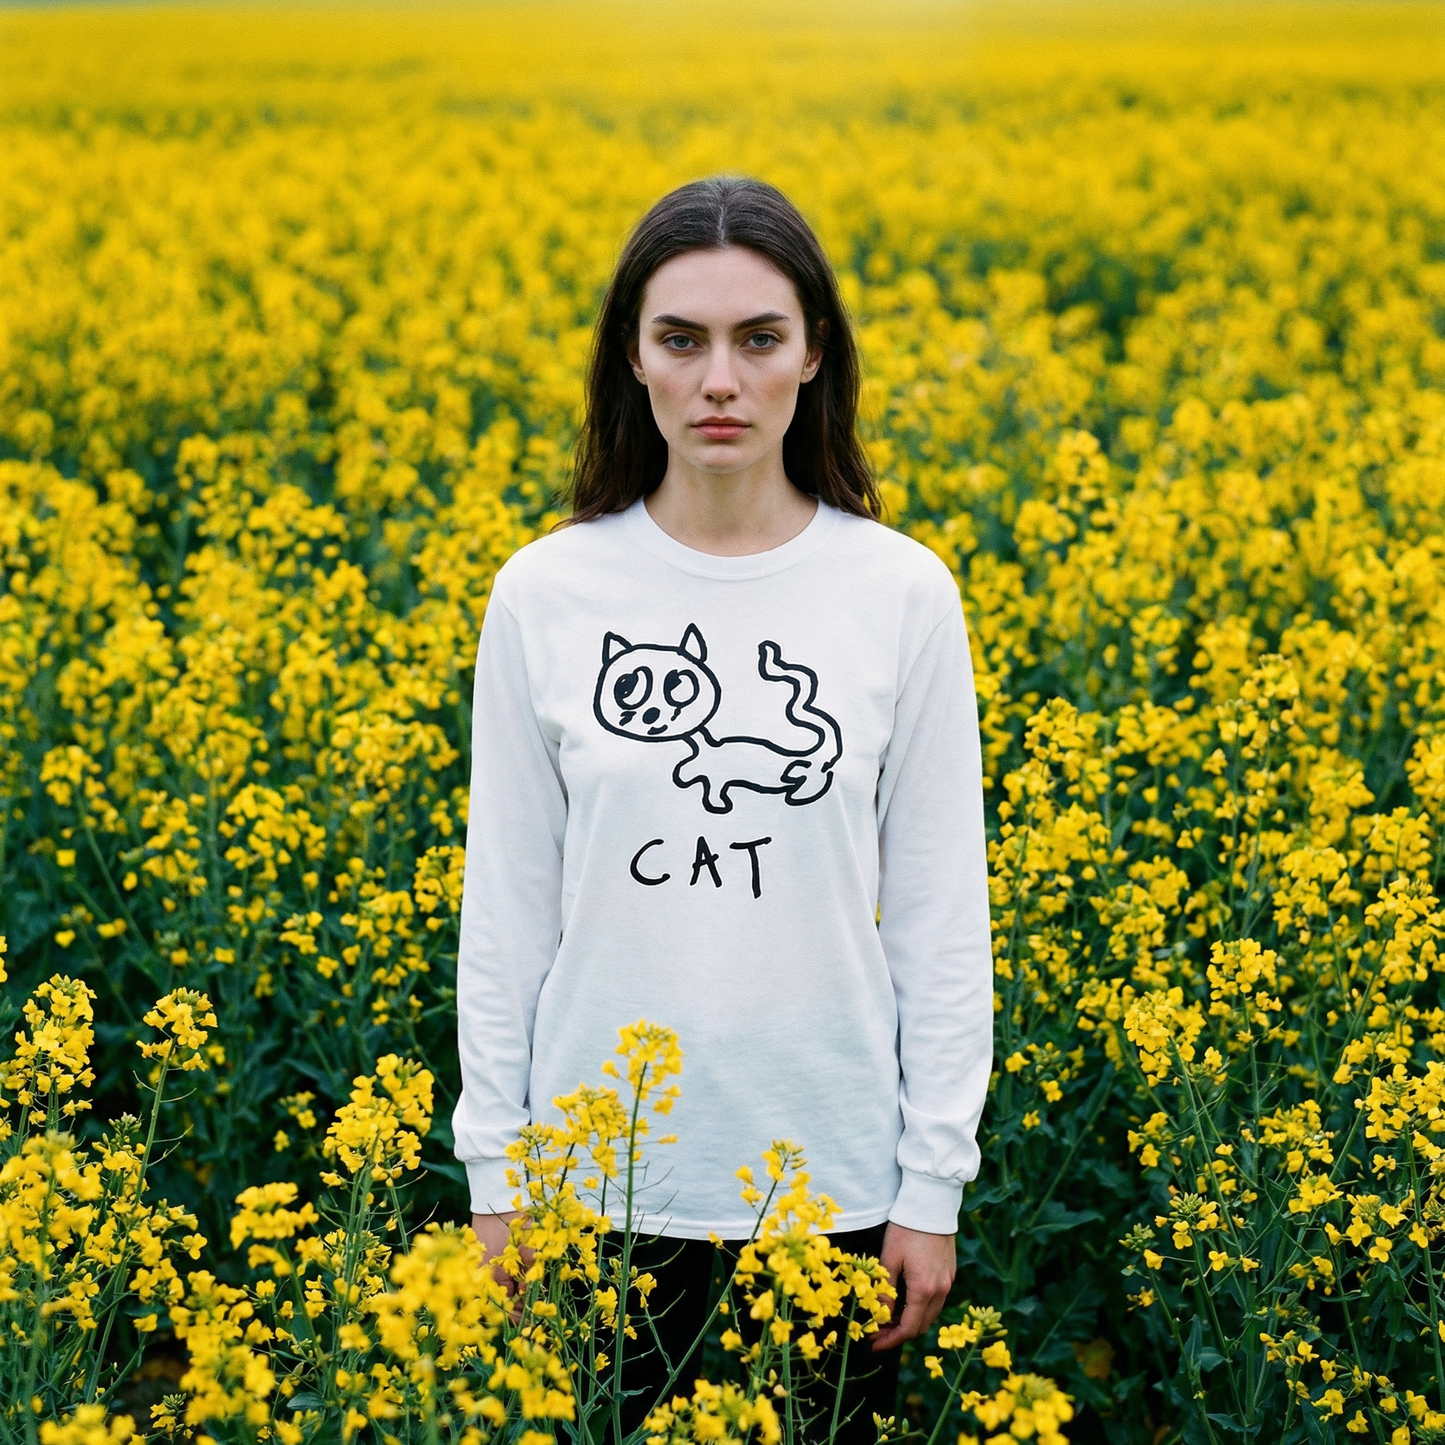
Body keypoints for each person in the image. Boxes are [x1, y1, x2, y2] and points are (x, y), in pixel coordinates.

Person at [454, 175, 992, 1441]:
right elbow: (507, 913)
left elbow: (939, 917)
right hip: (588, 1186)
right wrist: (496, 1174)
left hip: (830, 1181)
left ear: (813, 354)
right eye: (680, 339)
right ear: (630, 358)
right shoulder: (544, 592)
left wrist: (930, 1184)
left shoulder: (900, 592)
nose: (718, 380)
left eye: (757, 339)